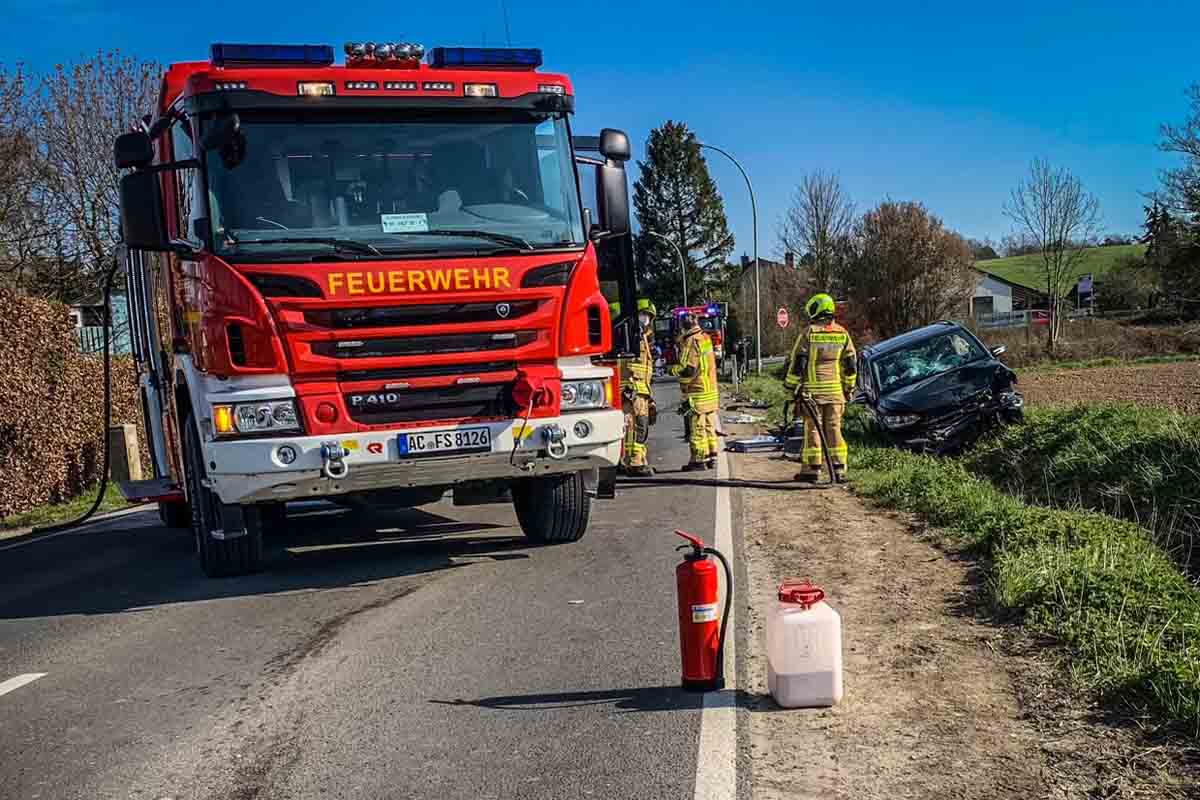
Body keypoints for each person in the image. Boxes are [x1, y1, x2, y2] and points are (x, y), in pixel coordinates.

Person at [784, 293, 857, 483]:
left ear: (815, 309)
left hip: (812, 393)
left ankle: (812, 470)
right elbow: (850, 365)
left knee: (813, 430)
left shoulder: (809, 333)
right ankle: (839, 469)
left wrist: (790, 387)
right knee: (834, 429)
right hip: (835, 393)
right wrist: (849, 388)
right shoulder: (842, 334)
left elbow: (797, 363)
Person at [671, 311, 720, 471]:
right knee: (708, 425)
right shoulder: (705, 338)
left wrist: (673, 371)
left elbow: (688, 370)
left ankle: (698, 460)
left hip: (697, 391)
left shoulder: (690, 341)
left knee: (697, 427)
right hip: (710, 390)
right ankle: (712, 456)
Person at [616, 299, 658, 477]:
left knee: (636, 426)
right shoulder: (630, 336)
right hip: (633, 389)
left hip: (640, 389)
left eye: (648, 316)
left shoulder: (642, 338)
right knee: (636, 426)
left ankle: (633, 460)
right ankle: (634, 463)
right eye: (643, 315)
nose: (646, 319)